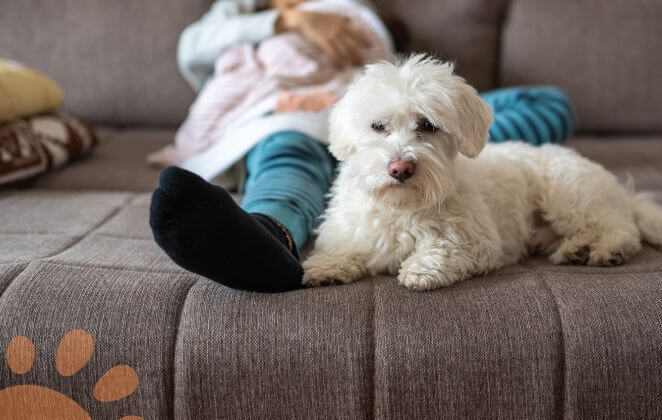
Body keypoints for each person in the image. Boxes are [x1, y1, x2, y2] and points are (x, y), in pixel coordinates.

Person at [149, 0, 576, 293]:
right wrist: (290, 22)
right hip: (289, 121)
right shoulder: (242, 12)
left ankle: (454, 145)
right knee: (289, 163)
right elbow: (192, 47)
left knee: (545, 102)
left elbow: (395, 85)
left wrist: (432, 118)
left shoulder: (362, 12)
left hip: (386, 117)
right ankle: (266, 237)